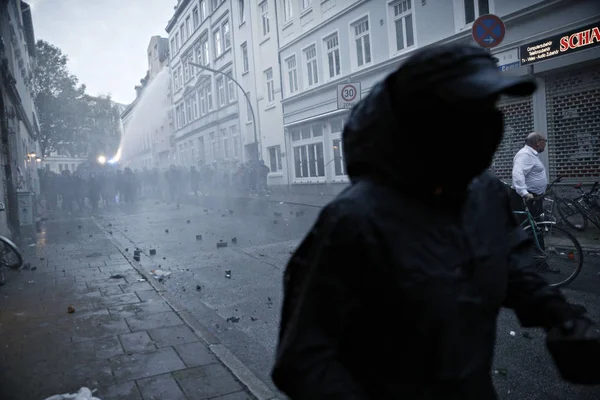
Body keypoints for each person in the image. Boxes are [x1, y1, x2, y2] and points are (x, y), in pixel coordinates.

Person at [271, 44, 600, 400]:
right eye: (468, 113)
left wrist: (561, 318)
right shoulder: (354, 220)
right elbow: (300, 362)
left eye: (489, 110)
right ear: (423, 122)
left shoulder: (485, 194)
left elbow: (512, 267)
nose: (487, 125)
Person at [511, 132, 548, 220]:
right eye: (544, 141)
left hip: (533, 197)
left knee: (535, 225)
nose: (545, 144)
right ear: (538, 142)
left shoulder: (531, 154)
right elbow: (518, 173)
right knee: (527, 226)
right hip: (526, 198)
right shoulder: (525, 154)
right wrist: (524, 193)